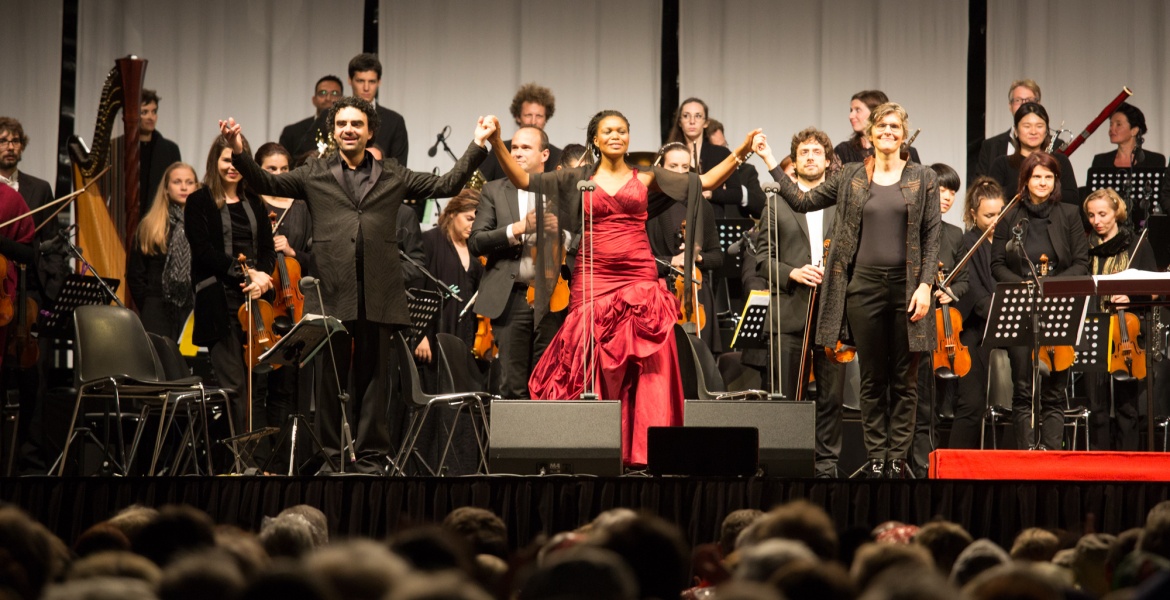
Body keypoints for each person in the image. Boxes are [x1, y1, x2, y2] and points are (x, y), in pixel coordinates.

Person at [219, 97, 495, 473]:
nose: (348, 129)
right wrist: (238, 150)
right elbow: (265, 180)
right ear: (333, 131)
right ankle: (333, 457)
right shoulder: (314, 172)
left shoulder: (392, 173)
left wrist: (478, 144)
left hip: (379, 292)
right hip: (332, 291)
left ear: (369, 131)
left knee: (374, 383)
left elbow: (446, 183)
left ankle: (370, 458)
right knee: (330, 382)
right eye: (342, 124)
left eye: (356, 124)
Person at [488, 110, 759, 467]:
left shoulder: (646, 177)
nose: (616, 136)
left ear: (628, 137)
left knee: (646, 362)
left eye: (622, 130)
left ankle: (644, 451)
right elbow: (523, 179)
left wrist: (741, 151)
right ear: (596, 140)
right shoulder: (576, 178)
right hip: (594, 276)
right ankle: (592, 447)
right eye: (608, 131)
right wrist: (495, 142)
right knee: (591, 358)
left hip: (638, 274)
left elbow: (703, 181)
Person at [754, 102, 940, 479]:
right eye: (881, 126)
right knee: (872, 378)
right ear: (869, 135)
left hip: (908, 288)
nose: (888, 132)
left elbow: (932, 236)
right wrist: (770, 159)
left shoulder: (924, 177)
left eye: (894, 126)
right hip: (863, 287)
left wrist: (925, 285)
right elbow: (803, 200)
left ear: (903, 133)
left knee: (903, 381)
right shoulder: (852, 174)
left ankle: (896, 460)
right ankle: (876, 459)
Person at [754, 126, 846, 478]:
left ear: (827, 160)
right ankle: (783, 461)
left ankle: (826, 465)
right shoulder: (776, 201)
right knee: (784, 396)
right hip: (789, 308)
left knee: (831, 398)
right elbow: (762, 259)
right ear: (795, 160)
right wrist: (792, 272)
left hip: (831, 311)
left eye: (816, 152)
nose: (810, 157)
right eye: (803, 152)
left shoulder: (842, 202)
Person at [990, 151, 1089, 451]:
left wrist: (1050, 286)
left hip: (1058, 306)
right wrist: (1023, 286)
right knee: (1023, 389)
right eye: (1037, 176)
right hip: (1021, 308)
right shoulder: (1010, 215)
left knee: (1055, 391)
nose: (1042, 182)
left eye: (1048, 177)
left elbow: (1082, 264)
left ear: (1056, 181)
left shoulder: (1070, 214)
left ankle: (1053, 457)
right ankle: (1025, 457)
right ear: (1025, 179)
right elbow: (997, 265)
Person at [184, 135, 276, 432]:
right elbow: (203, 252)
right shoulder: (198, 200)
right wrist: (245, 273)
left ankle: (249, 463)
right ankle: (241, 467)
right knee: (234, 386)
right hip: (218, 302)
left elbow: (267, 250)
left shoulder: (255, 200)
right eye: (227, 159)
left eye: (237, 160)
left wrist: (262, 279)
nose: (232, 166)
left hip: (255, 303)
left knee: (254, 385)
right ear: (215, 161)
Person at [468, 125, 554, 399]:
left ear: (544, 155)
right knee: (511, 385)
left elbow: (580, 238)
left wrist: (560, 234)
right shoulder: (494, 190)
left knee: (549, 381)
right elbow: (476, 241)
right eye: (513, 147)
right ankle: (514, 443)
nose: (516, 153)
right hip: (512, 297)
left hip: (553, 297)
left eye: (525, 148)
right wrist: (516, 229)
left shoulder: (558, 189)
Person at [253, 142, 314, 472]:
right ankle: (258, 459)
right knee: (258, 387)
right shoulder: (253, 202)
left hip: (293, 309)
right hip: (260, 309)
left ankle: (281, 462)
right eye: (270, 169)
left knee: (286, 389)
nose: (277, 174)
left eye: (283, 169)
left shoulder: (304, 207)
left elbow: (316, 259)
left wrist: (291, 251)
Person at [1082, 188, 1157, 450]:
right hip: (1096, 329)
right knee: (1097, 408)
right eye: (1091, 215)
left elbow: (1155, 290)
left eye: (1102, 214)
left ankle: (1130, 478)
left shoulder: (1137, 245)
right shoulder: (1085, 249)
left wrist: (1131, 299)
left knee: (1128, 408)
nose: (1096, 221)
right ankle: (1100, 478)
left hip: (1128, 332)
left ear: (1117, 212)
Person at [911, 163, 969, 477]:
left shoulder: (955, 234)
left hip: (944, 331)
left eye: (952, 192)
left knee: (932, 404)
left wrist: (951, 292)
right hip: (914, 323)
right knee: (915, 401)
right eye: (942, 190)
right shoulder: (910, 231)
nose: (947, 197)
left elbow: (963, 279)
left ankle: (928, 464)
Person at [647, 142, 723, 352]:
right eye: (673, 166)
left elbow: (717, 256)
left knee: (699, 360)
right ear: (660, 168)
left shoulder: (701, 206)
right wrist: (671, 261)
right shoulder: (646, 205)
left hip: (696, 297)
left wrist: (697, 258)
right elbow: (637, 259)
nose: (680, 172)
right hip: (659, 293)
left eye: (684, 167)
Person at [949, 177, 1006, 449]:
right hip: (975, 329)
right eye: (988, 215)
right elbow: (974, 293)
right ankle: (958, 466)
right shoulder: (967, 242)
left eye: (1000, 213)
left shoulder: (1011, 243)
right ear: (973, 214)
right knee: (971, 401)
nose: (996, 220)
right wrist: (1004, 310)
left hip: (1007, 325)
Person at [127, 161, 199, 340]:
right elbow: (136, 274)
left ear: (197, 187)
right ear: (166, 188)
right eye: (177, 182)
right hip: (156, 307)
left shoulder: (203, 224)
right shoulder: (151, 225)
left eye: (189, 182)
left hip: (192, 308)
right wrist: (149, 305)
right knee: (158, 364)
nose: (184, 187)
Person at [418, 188, 484, 358]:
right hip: (433, 334)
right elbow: (417, 287)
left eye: (476, 221)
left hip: (463, 334)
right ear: (453, 213)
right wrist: (420, 334)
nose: (472, 226)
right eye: (468, 219)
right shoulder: (430, 241)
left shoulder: (475, 251)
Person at [988, 102, 1080, 209]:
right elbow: (992, 199)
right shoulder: (1002, 163)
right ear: (1016, 131)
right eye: (1027, 126)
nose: (1033, 131)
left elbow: (1073, 199)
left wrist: (1046, 189)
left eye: (1039, 126)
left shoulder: (1060, 161)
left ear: (1046, 131)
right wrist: (1026, 185)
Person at [665, 98, 744, 218]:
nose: (692, 121)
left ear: (706, 122)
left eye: (698, 116)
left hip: (711, 220)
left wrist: (712, 194)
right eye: (686, 116)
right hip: (677, 217)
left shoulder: (721, 153)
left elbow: (737, 194)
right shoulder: (670, 153)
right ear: (680, 122)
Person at [111, 89, 183, 218]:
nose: (151, 117)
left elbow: (175, 189)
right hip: (121, 221)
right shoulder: (115, 147)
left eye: (154, 111)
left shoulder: (170, 149)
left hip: (158, 221)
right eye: (144, 112)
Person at [478, 83, 563, 180]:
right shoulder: (499, 149)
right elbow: (477, 187)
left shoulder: (558, 156)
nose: (533, 121)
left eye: (539, 116)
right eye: (528, 115)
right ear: (518, 117)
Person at [347, 53, 409, 166]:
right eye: (360, 81)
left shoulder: (394, 121)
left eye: (372, 81)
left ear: (379, 82)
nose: (366, 88)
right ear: (350, 80)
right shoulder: (332, 116)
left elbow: (400, 169)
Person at [833, 90, 921, 166]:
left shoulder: (909, 152)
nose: (851, 116)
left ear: (875, 113)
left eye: (857, 110)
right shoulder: (843, 150)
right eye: (851, 110)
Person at [975, 80, 1041, 178]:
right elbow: (980, 186)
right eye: (1018, 100)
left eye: (1029, 100)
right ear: (1010, 106)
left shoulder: (1056, 144)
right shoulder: (990, 146)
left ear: (1038, 104)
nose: (1024, 105)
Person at [708, 118, 766, 218]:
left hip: (737, 232)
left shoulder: (746, 171)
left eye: (724, 146)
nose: (724, 153)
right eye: (718, 149)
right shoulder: (699, 175)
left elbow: (764, 209)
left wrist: (737, 190)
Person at [279, 75, 344, 160]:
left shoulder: (350, 130)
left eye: (334, 93)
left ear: (342, 99)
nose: (328, 98)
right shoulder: (291, 132)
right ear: (314, 100)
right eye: (323, 93)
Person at [1090, 103, 1165, 170]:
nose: (1111, 129)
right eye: (1111, 124)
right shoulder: (1100, 160)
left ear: (1134, 130)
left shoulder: (1155, 160)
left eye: (1118, 124)